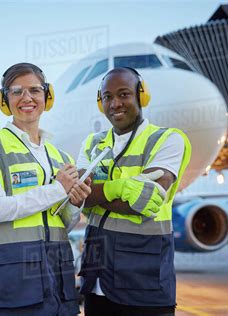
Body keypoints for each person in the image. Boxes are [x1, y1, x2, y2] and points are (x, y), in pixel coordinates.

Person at [0, 63, 91, 316]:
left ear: (47, 96)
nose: (27, 98)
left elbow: (60, 224)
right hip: (13, 277)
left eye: (34, 90)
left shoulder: (60, 156)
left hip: (57, 275)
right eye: (16, 91)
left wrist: (75, 204)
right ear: (4, 99)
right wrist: (57, 189)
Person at [77, 67, 192, 316]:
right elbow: (78, 197)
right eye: (107, 97)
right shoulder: (92, 143)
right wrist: (121, 188)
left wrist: (94, 193)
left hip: (145, 282)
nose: (115, 103)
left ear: (142, 96)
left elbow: (146, 200)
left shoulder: (167, 139)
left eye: (124, 94)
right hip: (97, 280)